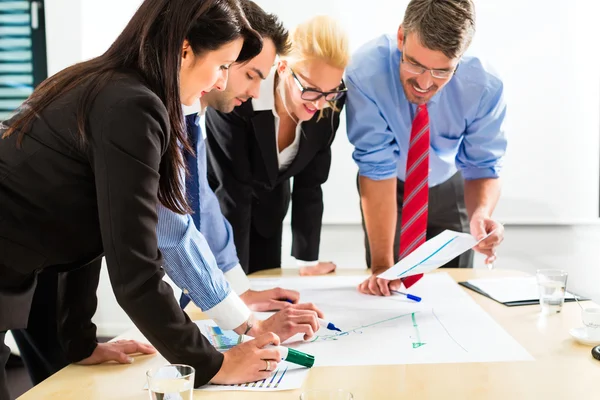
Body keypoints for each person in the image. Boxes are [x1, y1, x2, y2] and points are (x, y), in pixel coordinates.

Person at [9, 1, 326, 390]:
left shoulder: (118, 88)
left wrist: (80, 342)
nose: (223, 83)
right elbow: (136, 269)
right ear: (185, 49)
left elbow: (90, 225)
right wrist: (213, 365)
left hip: (30, 267)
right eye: (223, 66)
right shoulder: (133, 106)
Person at [345, 0, 507, 296]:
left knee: (455, 290)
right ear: (400, 37)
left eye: (442, 71)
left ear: (460, 58)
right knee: (386, 283)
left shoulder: (485, 86)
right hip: (386, 185)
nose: (424, 82)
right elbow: (375, 165)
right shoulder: (365, 71)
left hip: (449, 184)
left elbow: (482, 166)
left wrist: (481, 213)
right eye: (415, 64)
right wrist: (381, 265)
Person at [205, 15, 350, 275]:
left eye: (331, 91)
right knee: (222, 300)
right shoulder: (237, 98)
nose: (319, 103)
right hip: (218, 214)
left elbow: (311, 183)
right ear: (283, 68)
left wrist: (308, 261)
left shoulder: (329, 102)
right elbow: (233, 191)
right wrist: (236, 283)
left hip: (268, 215)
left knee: (268, 294)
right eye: (311, 89)